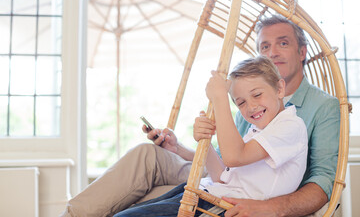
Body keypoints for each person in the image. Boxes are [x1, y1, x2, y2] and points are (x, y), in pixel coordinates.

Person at [60, 15, 340, 217]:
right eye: (264, 47)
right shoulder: (254, 109)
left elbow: (322, 181)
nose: (272, 52)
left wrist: (269, 209)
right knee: (147, 155)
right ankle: (72, 214)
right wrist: (183, 146)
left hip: (242, 192)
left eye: (282, 43)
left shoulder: (311, 112)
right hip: (222, 180)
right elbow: (225, 166)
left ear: (302, 52)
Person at [111, 56, 308, 216]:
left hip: (221, 206)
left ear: (280, 89)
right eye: (240, 103)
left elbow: (234, 157)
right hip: (208, 192)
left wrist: (220, 98)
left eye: (257, 95)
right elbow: (222, 178)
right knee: (126, 212)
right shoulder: (258, 131)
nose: (251, 107)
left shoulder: (290, 125)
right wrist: (205, 140)